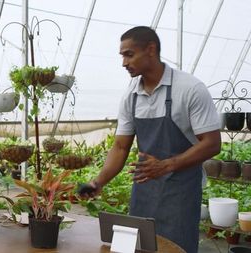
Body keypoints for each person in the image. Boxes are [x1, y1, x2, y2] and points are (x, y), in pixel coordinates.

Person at [79, 26, 221, 253]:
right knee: (141, 248)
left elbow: (212, 143)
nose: (124, 63)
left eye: (129, 54)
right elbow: (120, 146)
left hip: (181, 192)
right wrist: (98, 182)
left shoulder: (189, 89)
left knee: (177, 248)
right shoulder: (131, 95)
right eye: (122, 56)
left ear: (151, 50)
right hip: (144, 191)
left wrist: (166, 165)